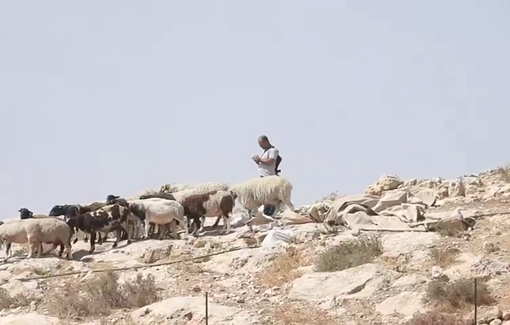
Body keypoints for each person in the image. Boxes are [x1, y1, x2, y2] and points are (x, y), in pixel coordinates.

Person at [252, 135, 281, 217]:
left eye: (261, 144)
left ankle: (271, 212)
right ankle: (266, 212)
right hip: (263, 177)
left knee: (270, 196)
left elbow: (271, 161)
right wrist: (257, 161)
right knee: (264, 196)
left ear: (265, 141)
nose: (260, 146)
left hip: (269, 176)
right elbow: (264, 163)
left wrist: (260, 159)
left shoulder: (273, 150)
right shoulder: (266, 151)